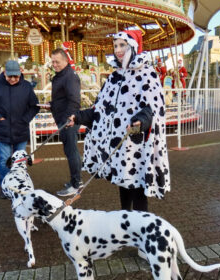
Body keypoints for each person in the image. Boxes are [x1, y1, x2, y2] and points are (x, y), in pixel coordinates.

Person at [67, 30, 170, 211]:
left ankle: (141, 228)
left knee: (138, 188)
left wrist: (140, 120)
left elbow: (153, 108)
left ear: (133, 46)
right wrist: (78, 117)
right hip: (119, 146)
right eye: (115, 46)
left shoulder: (147, 74)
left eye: (122, 45)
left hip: (135, 144)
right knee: (123, 185)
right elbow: (100, 110)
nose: (118, 50)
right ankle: (126, 221)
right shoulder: (114, 77)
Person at [0, 60, 39, 198]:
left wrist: (25, 119)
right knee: (4, 160)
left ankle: (20, 186)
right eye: (10, 76)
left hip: (21, 129)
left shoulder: (26, 86)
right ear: (4, 73)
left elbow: (34, 106)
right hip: (3, 130)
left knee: (20, 161)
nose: (12, 79)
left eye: (15, 77)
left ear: (20, 74)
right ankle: (5, 188)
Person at [49, 48, 83, 196]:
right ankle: (75, 179)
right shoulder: (61, 75)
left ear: (65, 61)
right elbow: (62, 97)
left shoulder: (69, 76)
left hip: (68, 120)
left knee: (71, 151)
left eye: (57, 61)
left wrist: (68, 119)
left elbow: (75, 100)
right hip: (63, 118)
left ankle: (76, 184)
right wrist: (52, 104)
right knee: (69, 151)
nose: (54, 64)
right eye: (52, 61)